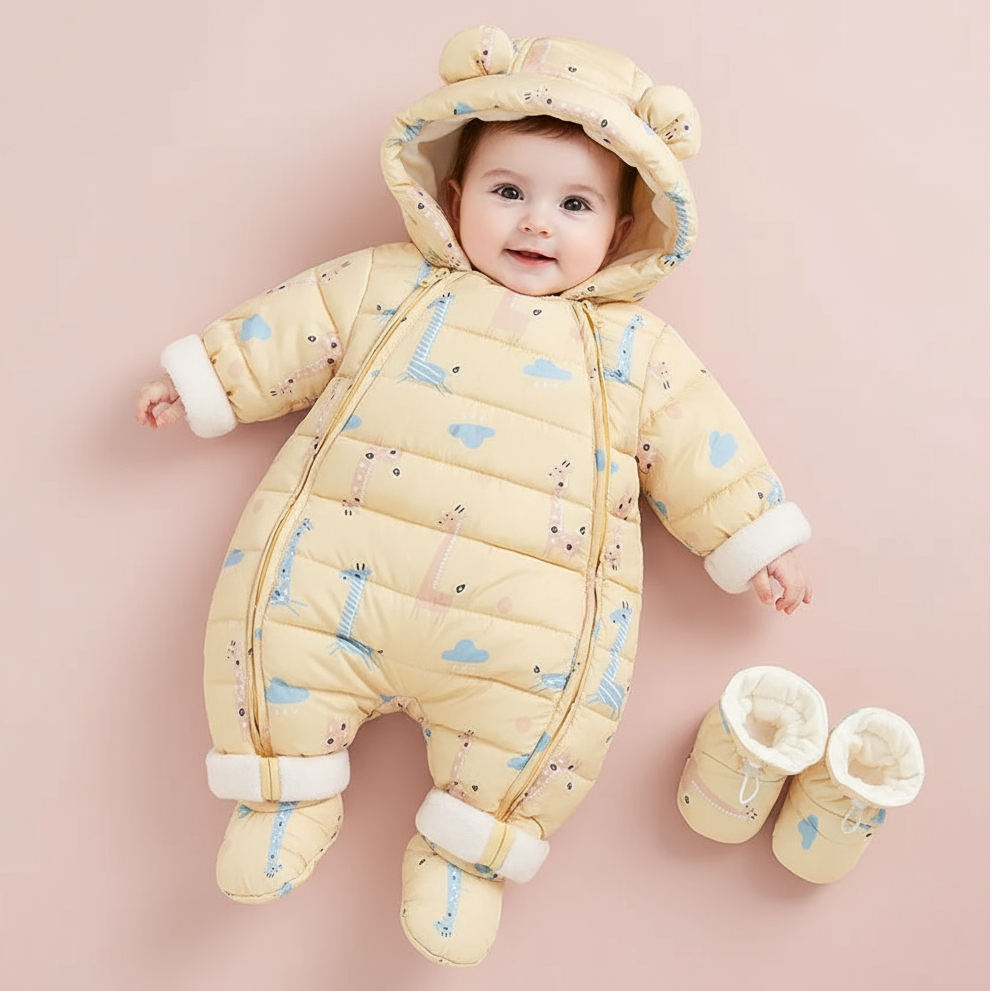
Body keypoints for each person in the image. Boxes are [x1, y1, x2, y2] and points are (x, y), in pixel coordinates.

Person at [135, 28, 812, 967]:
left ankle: (468, 848)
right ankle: (283, 789)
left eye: (574, 203)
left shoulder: (635, 352)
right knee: (271, 621)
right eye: (509, 192)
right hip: (347, 570)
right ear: (453, 197)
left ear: (620, 231)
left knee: (547, 721)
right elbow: (290, 329)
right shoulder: (389, 283)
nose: (537, 222)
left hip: (516, 629)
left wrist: (755, 538)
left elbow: (704, 446)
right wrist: (205, 378)